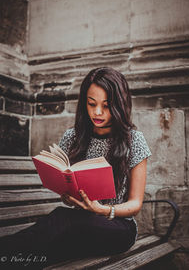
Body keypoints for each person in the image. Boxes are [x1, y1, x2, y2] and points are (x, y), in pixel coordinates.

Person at [0, 67, 151, 269]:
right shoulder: (73, 137)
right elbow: (67, 182)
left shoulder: (134, 140)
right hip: (81, 222)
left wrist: (103, 209)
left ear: (119, 106)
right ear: (84, 103)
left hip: (118, 227)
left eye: (106, 106)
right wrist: (68, 194)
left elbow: (135, 204)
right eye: (91, 104)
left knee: (62, 218)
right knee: (48, 250)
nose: (97, 112)